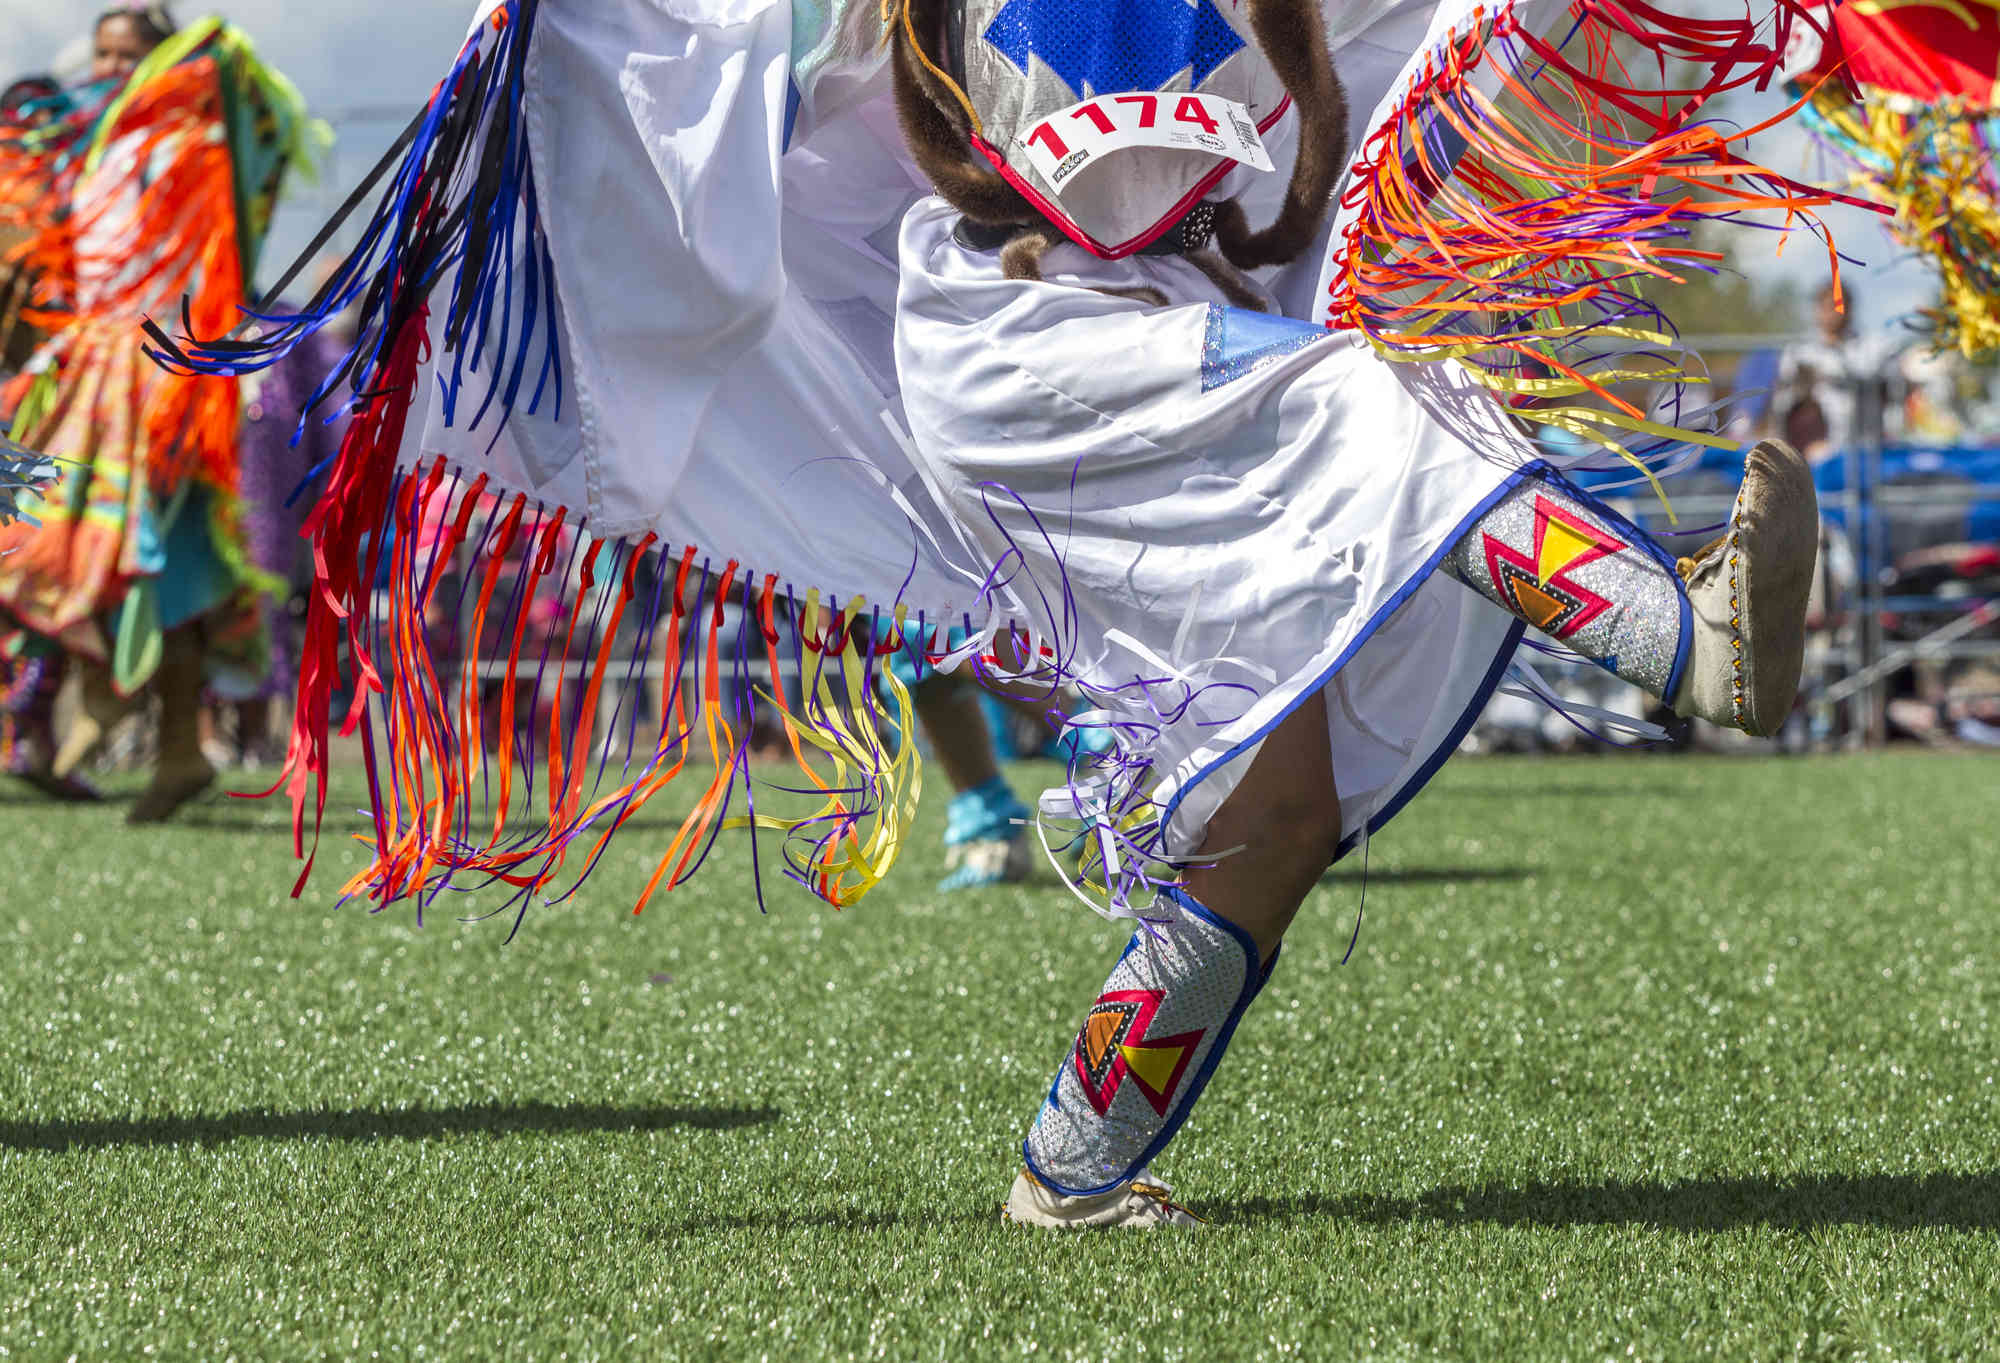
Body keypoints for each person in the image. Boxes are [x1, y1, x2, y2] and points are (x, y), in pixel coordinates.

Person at [152, 0, 1837, 1225]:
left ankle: (1073, 1169)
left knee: (1279, 812)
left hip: (1164, 357)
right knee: (1394, 421)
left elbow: (1337, 126)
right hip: (1026, 356)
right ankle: (1687, 640)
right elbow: (714, 74)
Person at [0, 5, 314, 817]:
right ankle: (62, 715)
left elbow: (257, 141)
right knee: (36, 543)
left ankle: (176, 747)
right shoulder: (87, 154)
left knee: (162, 564)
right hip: (71, 379)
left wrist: (216, 62)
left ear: (164, 63)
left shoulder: (199, 140)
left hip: (159, 380)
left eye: (128, 55)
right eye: (100, 53)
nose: (109, 69)